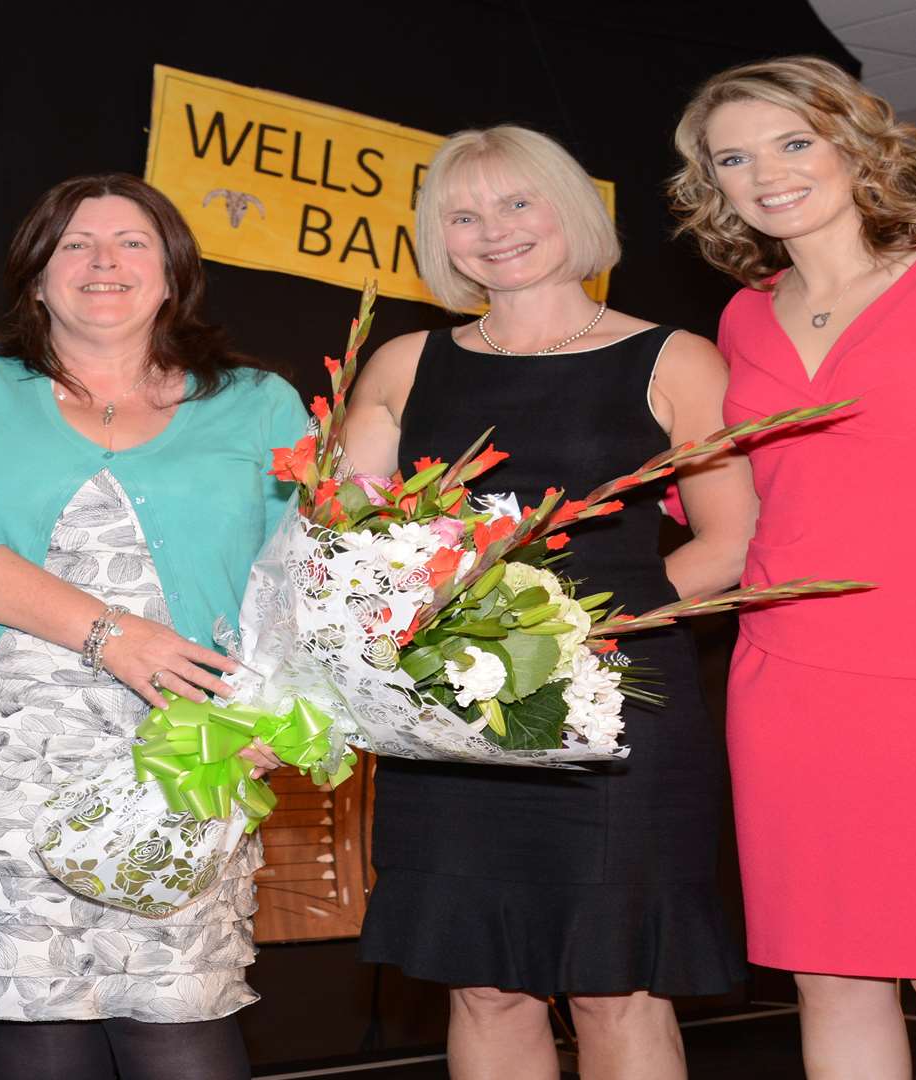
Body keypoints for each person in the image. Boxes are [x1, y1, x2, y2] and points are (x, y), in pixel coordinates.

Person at [0, 172, 303, 1080]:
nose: (104, 261)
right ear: (35, 278)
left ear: (173, 275)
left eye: (132, 243)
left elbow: (300, 571)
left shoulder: (257, 400)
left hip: (184, 747)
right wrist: (112, 635)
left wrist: (276, 711)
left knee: (181, 1022)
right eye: (75, 244)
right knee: (37, 1032)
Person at [339, 126, 757, 1080]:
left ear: (571, 207)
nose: (495, 231)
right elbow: (346, 545)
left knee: (617, 988)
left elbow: (730, 542)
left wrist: (563, 635)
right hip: (454, 714)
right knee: (484, 984)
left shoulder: (675, 359)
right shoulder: (406, 365)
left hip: (619, 709)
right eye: (464, 214)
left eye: (518, 203)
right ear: (437, 238)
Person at [670, 56, 916, 1079]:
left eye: (792, 142)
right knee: (831, 976)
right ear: (714, 183)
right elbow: (754, 508)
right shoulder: (740, 319)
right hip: (787, 679)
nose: (765, 172)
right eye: (734, 156)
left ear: (854, 143)